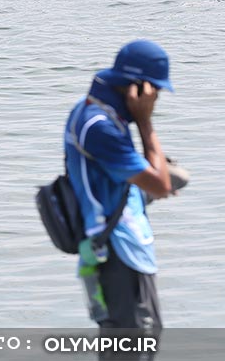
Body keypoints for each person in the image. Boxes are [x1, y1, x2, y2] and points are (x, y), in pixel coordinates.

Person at [65, 40, 175, 354]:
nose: (156, 99)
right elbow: (160, 186)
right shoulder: (100, 126)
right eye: (156, 91)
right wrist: (145, 122)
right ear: (139, 88)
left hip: (120, 250)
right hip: (118, 253)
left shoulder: (101, 115)